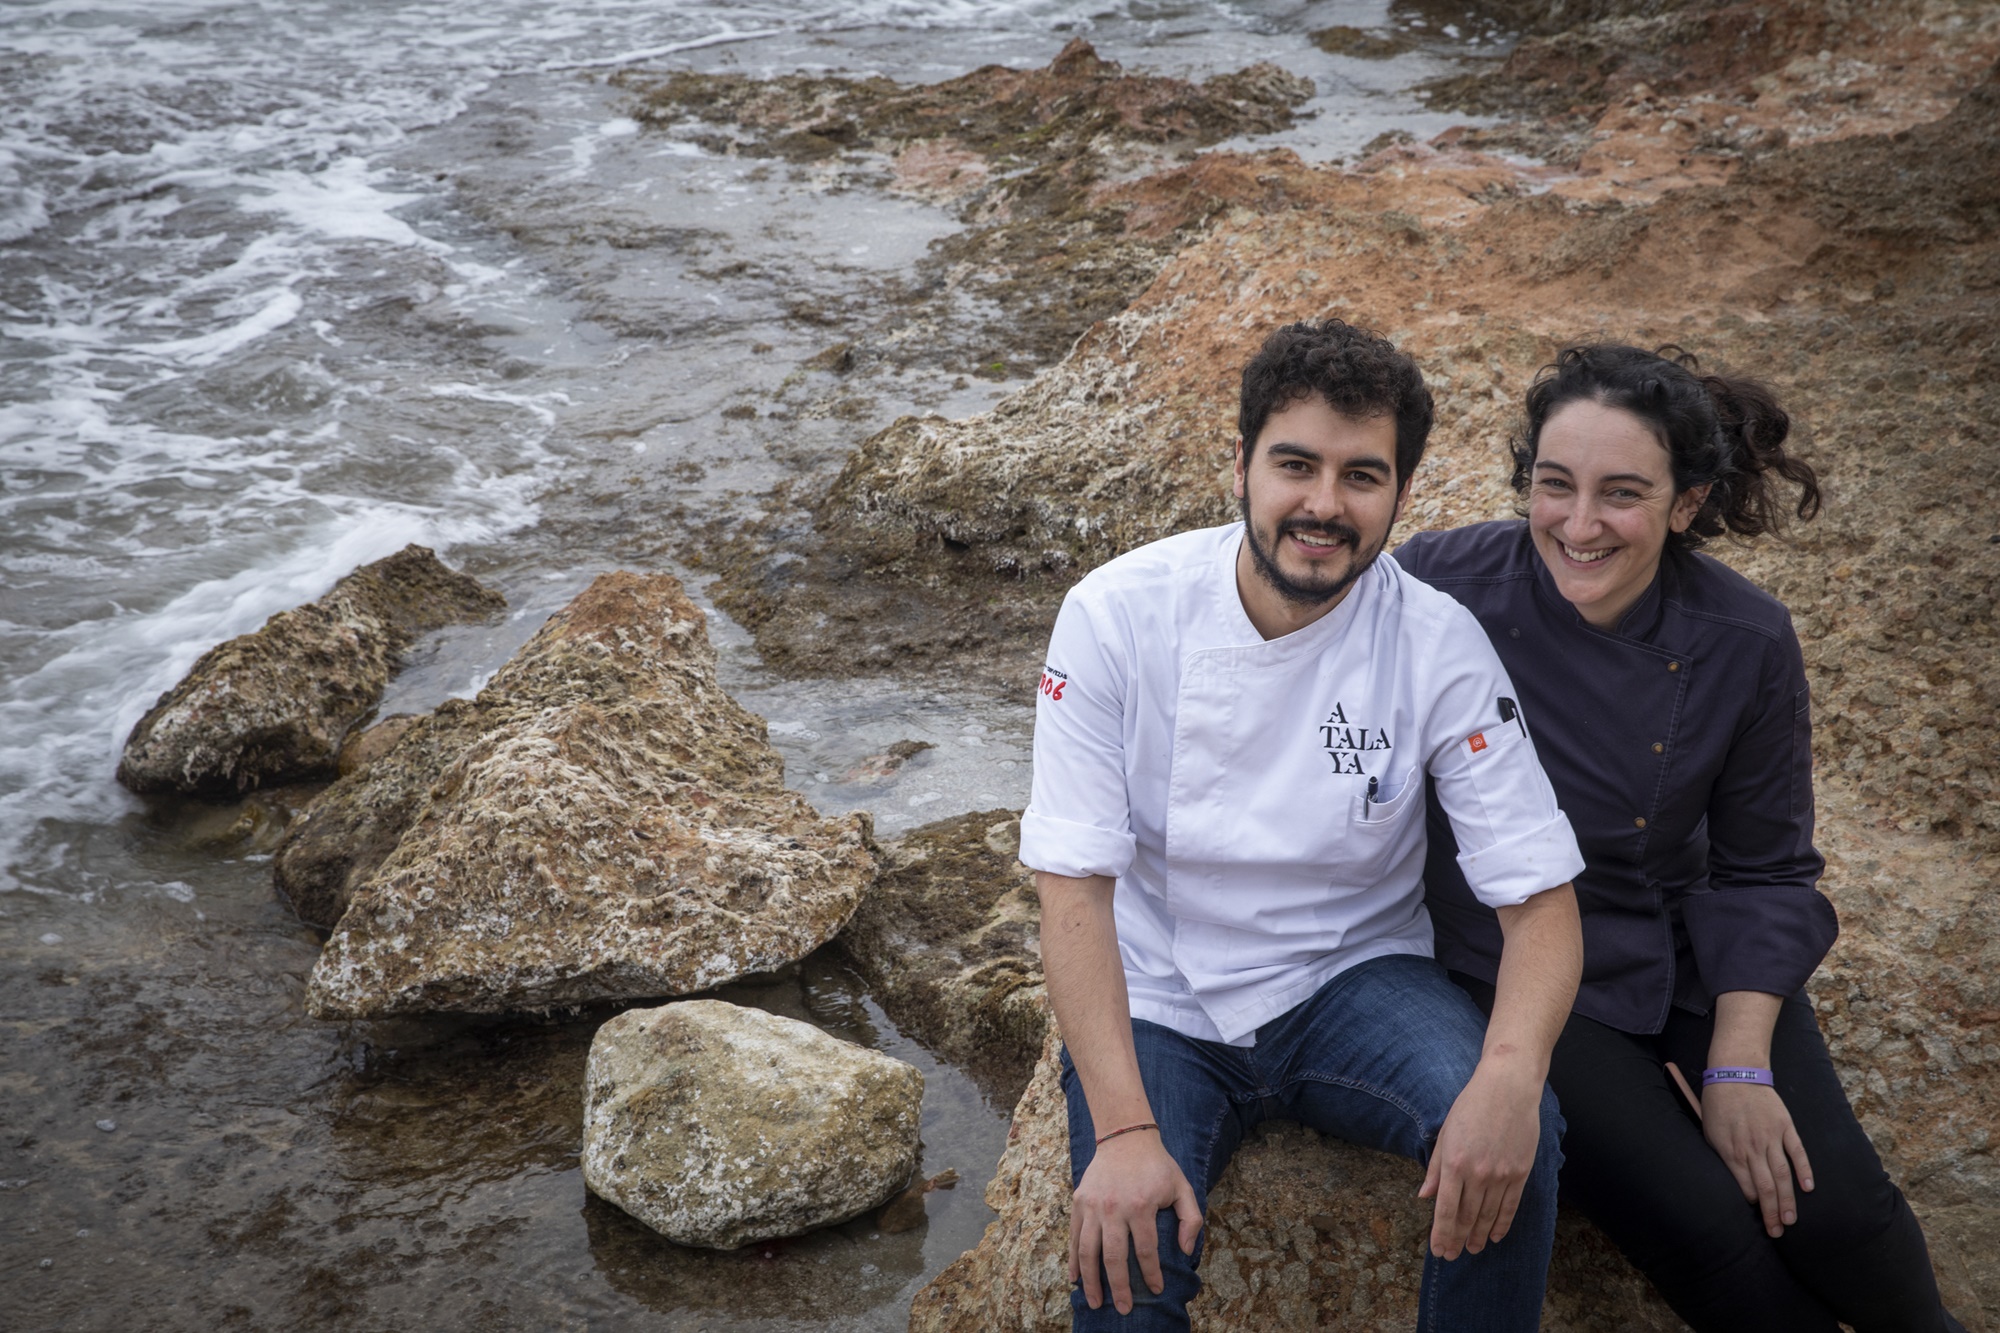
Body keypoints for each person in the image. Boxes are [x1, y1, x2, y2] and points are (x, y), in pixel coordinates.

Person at [1019, 318, 1588, 1333]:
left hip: (1350, 978)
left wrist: (1508, 1077)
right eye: (1294, 465)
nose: (1323, 504)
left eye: (1360, 475)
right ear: (1239, 467)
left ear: (1398, 496)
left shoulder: (1433, 642)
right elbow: (1072, 888)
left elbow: (1538, 899)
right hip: (1158, 997)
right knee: (1123, 1271)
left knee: (1518, 1139)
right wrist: (1121, 1127)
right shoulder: (1114, 615)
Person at [1394, 343, 1967, 1333]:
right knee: (1707, 1227)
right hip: (1514, 962)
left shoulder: (1743, 637)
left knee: (1832, 1209)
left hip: (1685, 944)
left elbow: (1766, 869)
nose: (1577, 525)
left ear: (1685, 503)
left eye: (1620, 494)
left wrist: (1737, 1067)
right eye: (1553, 486)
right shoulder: (1436, 588)